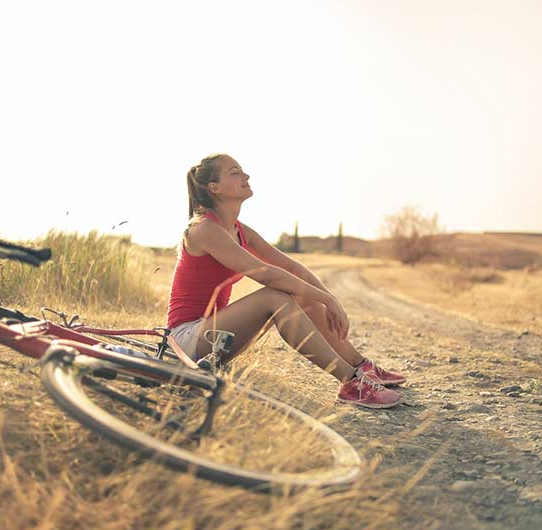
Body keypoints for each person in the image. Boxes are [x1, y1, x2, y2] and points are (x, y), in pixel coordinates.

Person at [167, 153, 406, 408]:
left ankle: (361, 366)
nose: (245, 176)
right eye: (235, 172)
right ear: (214, 188)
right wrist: (326, 298)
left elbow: (290, 266)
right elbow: (266, 273)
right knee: (275, 296)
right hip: (185, 340)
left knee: (301, 293)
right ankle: (350, 381)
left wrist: (328, 299)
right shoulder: (204, 229)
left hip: (217, 338)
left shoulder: (239, 230)